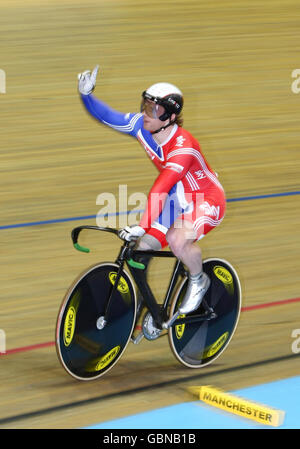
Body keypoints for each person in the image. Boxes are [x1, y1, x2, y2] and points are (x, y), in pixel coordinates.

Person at [78, 65, 226, 325]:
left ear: (169, 117)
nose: (145, 113)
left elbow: (160, 186)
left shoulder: (184, 147)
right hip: (176, 201)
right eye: (145, 105)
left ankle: (198, 279)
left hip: (206, 200)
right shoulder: (140, 126)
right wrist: (87, 95)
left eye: (153, 109)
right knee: (140, 251)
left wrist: (142, 225)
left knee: (177, 239)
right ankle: (149, 308)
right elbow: (108, 116)